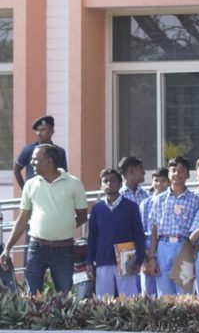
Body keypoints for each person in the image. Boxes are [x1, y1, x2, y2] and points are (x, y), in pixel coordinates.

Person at [1, 144, 89, 293]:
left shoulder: (74, 183)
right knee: (32, 297)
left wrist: (63, 226)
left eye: (35, 159)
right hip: (37, 248)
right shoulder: (30, 185)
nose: (31, 163)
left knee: (65, 297)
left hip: (64, 250)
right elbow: (22, 219)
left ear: (49, 161)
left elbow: (82, 216)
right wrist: (7, 248)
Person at [86, 169, 146, 298]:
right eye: (105, 181)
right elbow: (92, 238)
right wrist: (89, 262)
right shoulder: (97, 209)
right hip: (103, 259)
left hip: (126, 258)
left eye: (113, 180)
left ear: (120, 184)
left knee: (129, 300)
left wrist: (138, 261)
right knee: (104, 301)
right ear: (101, 185)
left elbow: (139, 236)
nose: (109, 183)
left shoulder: (131, 207)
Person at [13, 116, 68, 188]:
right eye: (37, 130)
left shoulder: (59, 151)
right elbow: (16, 169)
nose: (39, 133)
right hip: (34, 191)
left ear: (52, 131)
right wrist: (24, 189)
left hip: (54, 192)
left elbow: (63, 174)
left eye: (43, 130)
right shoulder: (29, 149)